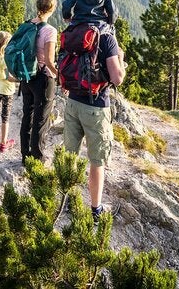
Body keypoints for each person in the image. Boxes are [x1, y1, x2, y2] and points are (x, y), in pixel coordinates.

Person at [62, 25, 127, 222]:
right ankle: (95, 210)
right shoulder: (107, 38)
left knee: (69, 155)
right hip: (96, 106)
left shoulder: (73, 32)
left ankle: (68, 202)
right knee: (96, 161)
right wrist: (121, 60)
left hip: (72, 102)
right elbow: (117, 78)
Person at [19, 0, 59, 162]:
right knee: (41, 119)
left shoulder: (27, 25)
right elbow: (50, 61)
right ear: (52, 9)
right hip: (43, 78)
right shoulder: (49, 30)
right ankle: (37, 158)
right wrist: (60, 75)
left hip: (27, 76)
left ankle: (24, 155)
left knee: (27, 114)